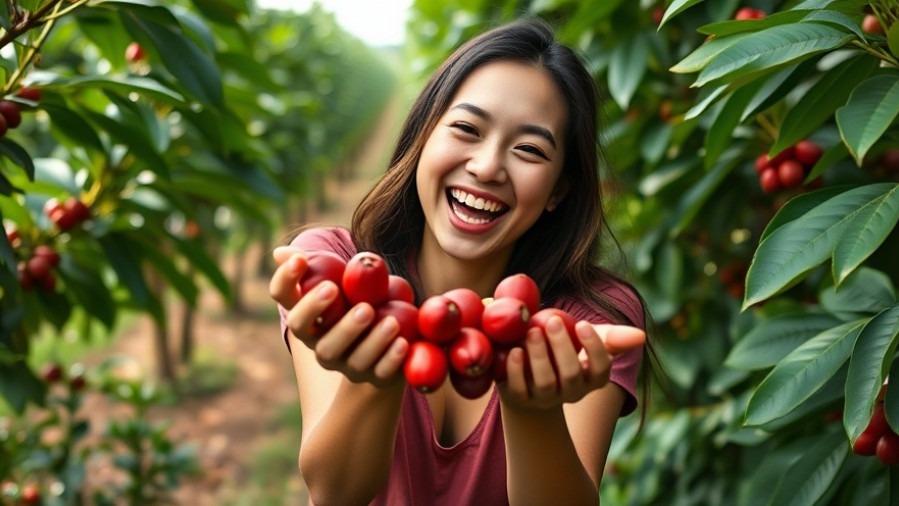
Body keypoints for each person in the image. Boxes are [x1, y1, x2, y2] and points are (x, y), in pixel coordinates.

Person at [269, 17, 649, 505]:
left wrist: (533, 408)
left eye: (529, 149)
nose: (488, 167)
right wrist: (374, 378)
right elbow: (336, 492)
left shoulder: (589, 322)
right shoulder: (340, 273)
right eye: (467, 128)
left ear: (559, 189)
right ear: (423, 136)